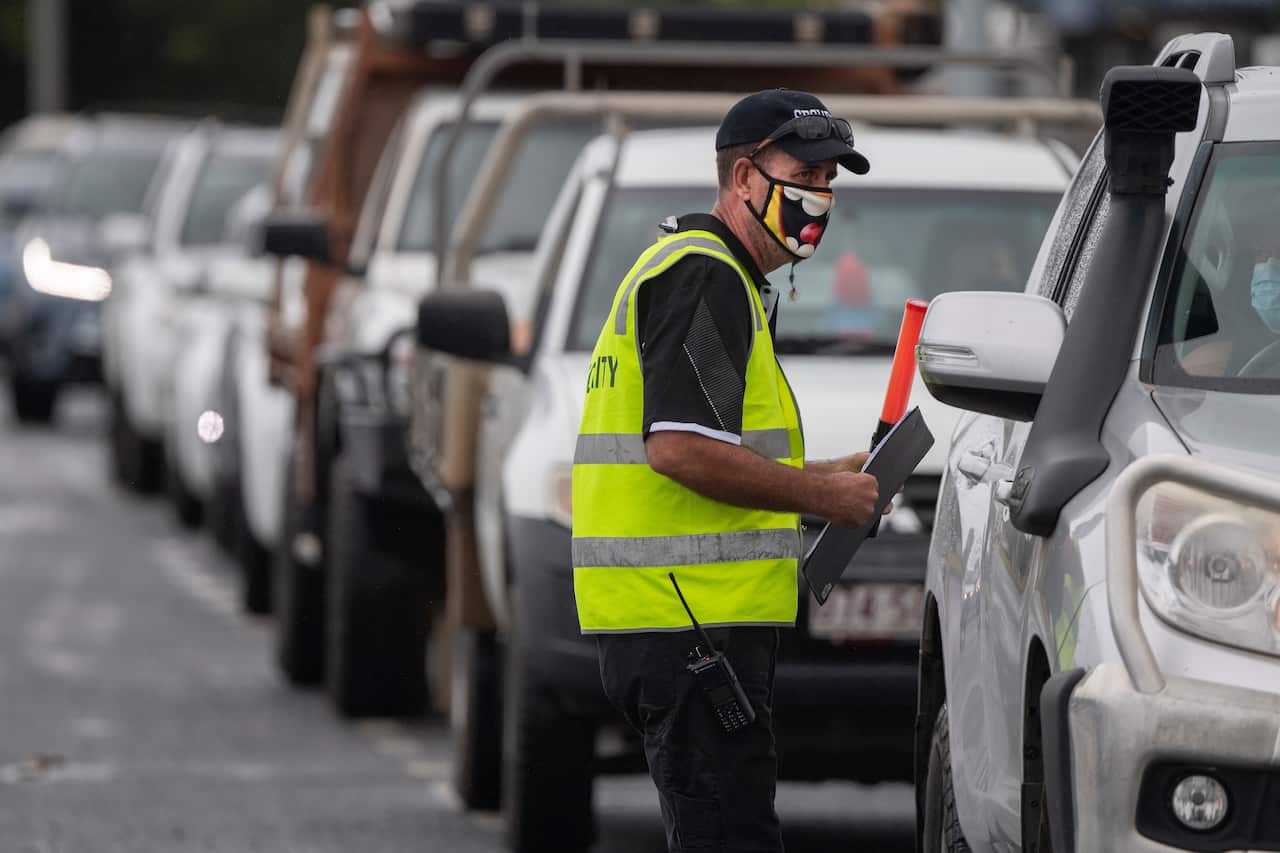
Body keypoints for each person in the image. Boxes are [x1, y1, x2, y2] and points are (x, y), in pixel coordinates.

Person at [571, 90, 885, 852]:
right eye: (805, 173)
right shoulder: (704, 274)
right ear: (744, 176)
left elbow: (704, 441)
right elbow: (677, 449)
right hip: (690, 629)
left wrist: (819, 472)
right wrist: (823, 495)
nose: (820, 195)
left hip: (683, 625)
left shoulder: (716, 273)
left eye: (831, 178)